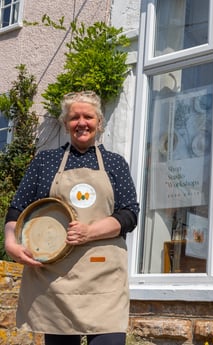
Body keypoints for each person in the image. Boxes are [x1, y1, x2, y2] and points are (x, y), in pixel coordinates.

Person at [4, 91, 139, 345]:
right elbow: (17, 209)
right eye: (74, 117)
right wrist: (11, 243)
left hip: (104, 279)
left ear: (99, 122)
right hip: (56, 282)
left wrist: (90, 231)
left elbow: (129, 214)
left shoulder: (114, 163)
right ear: (66, 124)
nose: (81, 122)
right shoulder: (45, 162)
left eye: (88, 116)